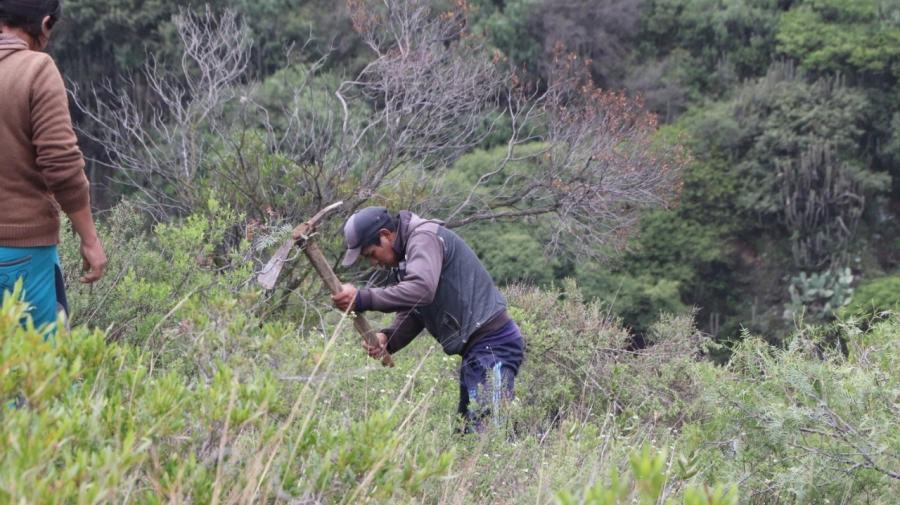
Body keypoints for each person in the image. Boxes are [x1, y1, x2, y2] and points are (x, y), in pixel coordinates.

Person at [332, 206, 525, 433]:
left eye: (371, 254)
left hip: (493, 347)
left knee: (487, 438)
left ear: (386, 235)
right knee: (468, 437)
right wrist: (388, 338)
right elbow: (417, 308)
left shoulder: (423, 238)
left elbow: (421, 290)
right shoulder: (405, 256)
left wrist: (363, 299)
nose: (374, 263)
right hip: (480, 351)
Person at [0, 0, 107, 331]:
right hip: (20, 251)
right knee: (42, 375)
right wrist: (89, 238)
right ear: (44, 23)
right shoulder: (35, 69)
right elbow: (60, 163)